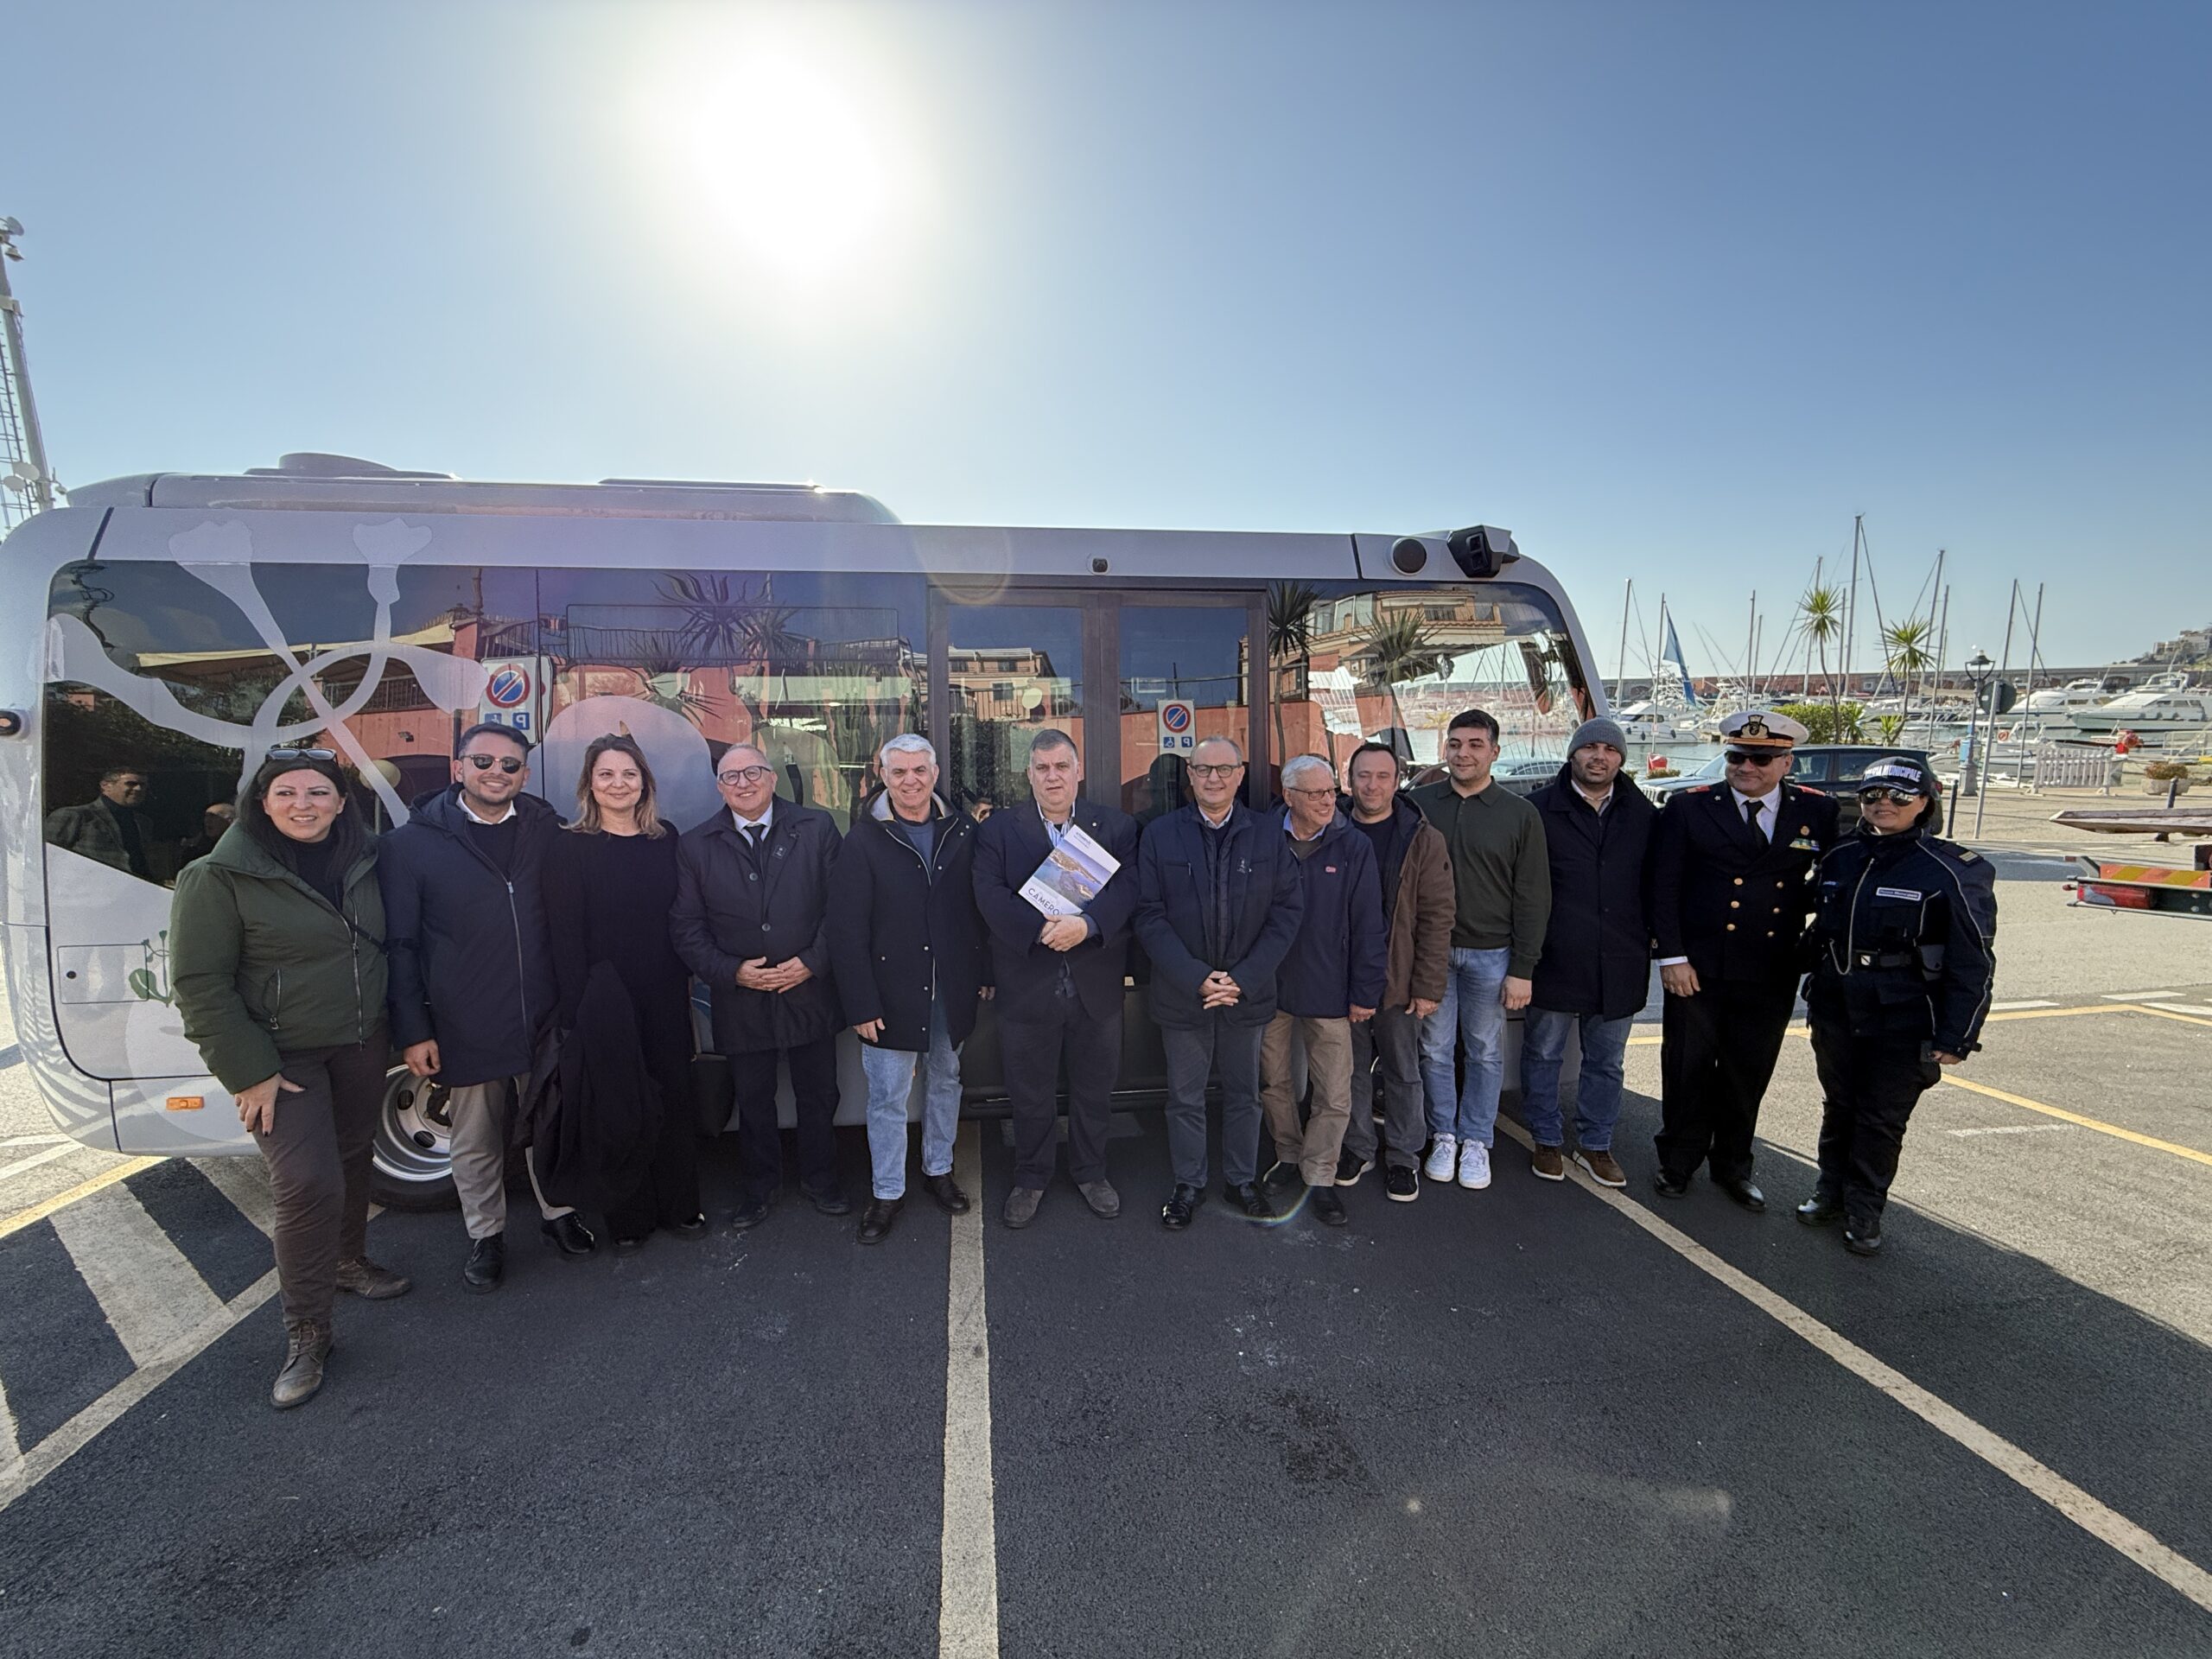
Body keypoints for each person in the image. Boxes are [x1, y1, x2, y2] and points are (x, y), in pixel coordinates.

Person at [169, 749, 408, 1409]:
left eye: (319, 793)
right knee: (306, 1181)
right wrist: (250, 1073)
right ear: (262, 803)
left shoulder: (366, 859)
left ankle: (347, 1261)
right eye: (287, 793)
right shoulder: (217, 876)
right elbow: (200, 985)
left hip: (361, 1041)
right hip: (283, 1057)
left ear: (341, 802)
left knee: (355, 1155)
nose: (304, 804)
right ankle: (308, 1330)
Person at [379, 721, 594, 1294]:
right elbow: (399, 944)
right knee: (475, 1137)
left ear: (524, 774)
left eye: (509, 765)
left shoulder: (547, 830)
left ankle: (559, 1215)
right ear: (458, 768)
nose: (496, 773)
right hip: (462, 1017)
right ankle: (487, 1235)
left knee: (551, 1121)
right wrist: (413, 1028)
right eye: (483, 762)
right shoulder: (410, 844)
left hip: (543, 1013)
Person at [1799, 756, 1996, 1255]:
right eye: (1873, 796)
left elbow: (1973, 959)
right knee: (1839, 1105)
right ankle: (1830, 1190)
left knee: (1881, 1117)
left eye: (1899, 797)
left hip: (1905, 1014)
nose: (1884, 804)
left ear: (1925, 803)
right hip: (1837, 1005)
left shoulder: (1951, 869)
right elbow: (1816, 931)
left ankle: (1865, 1207)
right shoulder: (1841, 857)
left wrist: (1958, 1034)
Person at [1649, 709, 1840, 1208]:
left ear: (1785, 761)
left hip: (1770, 965)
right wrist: (1671, 956)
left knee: (1746, 1071)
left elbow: (1836, 882)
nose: (1746, 767)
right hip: (1698, 965)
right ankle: (1678, 1161)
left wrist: (1816, 944)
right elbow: (1663, 886)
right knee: (1687, 1066)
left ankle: (1733, 1166)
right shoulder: (1689, 807)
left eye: (1761, 758)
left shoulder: (1816, 811)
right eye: (1737, 756)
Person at [670, 742, 849, 1230]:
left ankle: (822, 1180)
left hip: (809, 990)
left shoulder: (817, 828)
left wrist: (812, 963)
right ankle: (759, 1188)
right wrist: (733, 971)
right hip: (741, 997)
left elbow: (843, 910)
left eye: (752, 773)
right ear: (718, 787)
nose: (743, 783)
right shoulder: (695, 844)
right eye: (731, 777)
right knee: (753, 1100)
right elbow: (686, 928)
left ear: (772, 778)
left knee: (819, 1094)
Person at [1133, 735, 1305, 1229]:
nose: (1214, 778)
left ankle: (1240, 1179)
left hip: (1245, 993)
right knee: (1184, 1098)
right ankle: (1189, 1184)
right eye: (1204, 769)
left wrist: (1242, 979)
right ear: (1189, 775)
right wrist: (1196, 978)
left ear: (1240, 774)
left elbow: (1287, 913)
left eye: (1224, 770)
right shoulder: (1162, 835)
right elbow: (1148, 915)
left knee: (1244, 1095)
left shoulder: (1268, 835)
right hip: (1184, 992)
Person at [971, 729, 1141, 1229]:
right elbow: (988, 895)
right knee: (1029, 1092)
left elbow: (1130, 885)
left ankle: (1091, 1173)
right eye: (1042, 769)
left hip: (1095, 986)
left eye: (1061, 767)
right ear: (1029, 775)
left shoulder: (1114, 827)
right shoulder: (999, 831)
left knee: (1094, 1089)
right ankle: (1031, 1176)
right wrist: (1045, 931)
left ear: (1078, 771)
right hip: (1027, 984)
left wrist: (1086, 926)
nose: (1052, 777)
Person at [827, 735, 992, 1246]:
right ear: (883, 776)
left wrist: (984, 970)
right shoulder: (863, 839)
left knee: (945, 1082)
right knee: (887, 1098)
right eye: (898, 773)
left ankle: (939, 1170)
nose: (910, 781)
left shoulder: (962, 830)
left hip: (951, 988)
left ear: (936, 773)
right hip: (888, 992)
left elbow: (976, 908)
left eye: (919, 771)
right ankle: (887, 1191)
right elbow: (846, 929)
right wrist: (859, 1002)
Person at [543, 734, 705, 1253]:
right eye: (607, 774)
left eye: (629, 774)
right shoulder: (567, 846)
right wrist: (576, 1010)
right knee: (618, 1105)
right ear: (590, 784)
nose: (619, 784)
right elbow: (564, 935)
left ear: (644, 784)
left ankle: (681, 1205)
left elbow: (683, 918)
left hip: (665, 990)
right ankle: (629, 1216)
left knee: (674, 1096)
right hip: (603, 998)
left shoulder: (667, 839)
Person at [1410, 709, 1551, 1192]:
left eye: (1474, 744)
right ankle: (1443, 1134)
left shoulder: (1520, 814)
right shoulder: (1419, 805)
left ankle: (1476, 1141)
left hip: (1492, 955)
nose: (1463, 753)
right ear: (1444, 750)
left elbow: (1533, 895)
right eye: (1455, 744)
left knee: (1487, 1051)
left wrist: (1524, 968)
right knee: (1432, 1049)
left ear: (1494, 751)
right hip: (1430, 953)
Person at [1518, 718, 1656, 1187]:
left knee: (1606, 1061)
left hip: (1620, 959)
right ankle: (1546, 1137)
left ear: (1621, 758)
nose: (1599, 756)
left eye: (1609, 749)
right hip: (1555, 956)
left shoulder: (1645, 816)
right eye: (1589, 747)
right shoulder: (1535, 811)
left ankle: (1597, 1144)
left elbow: (1660, 886)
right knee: (1543, 1053)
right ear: (1573, 754)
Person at [1257, 755, 1385, 1227]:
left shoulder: (1353, 846)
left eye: (1332, 791)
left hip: (1332, 988)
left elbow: (1370, 924)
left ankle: (1321, 1174)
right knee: (1274, 1081)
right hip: (1269, 986)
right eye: (1315, 793)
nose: (1328, 801)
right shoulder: (1263, 838)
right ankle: (1289, 1156)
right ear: (1289, 796)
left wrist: (1364, 991)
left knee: (1334, 1090)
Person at [1338, 742, 1455, 1203]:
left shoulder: (1422, 838)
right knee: (1348, 1073)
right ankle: (1358, 1147)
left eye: (1382, 776)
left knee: (1404, 1071)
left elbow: (1437, 916)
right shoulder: (1333, 827)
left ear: (1397, 780)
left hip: (1399, 980)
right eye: (1363, 776)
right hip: (1340, 978)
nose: (1372, 785)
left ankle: (1404, 1157)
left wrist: (1427, 985)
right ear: (1349, 780)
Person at [46, 766, 154, 880]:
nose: (138, 789)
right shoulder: (75, 815)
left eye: (143, 785)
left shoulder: (143, 822)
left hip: (134, 890)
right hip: (85, 890)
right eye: (131, 784)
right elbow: (47, 858)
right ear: (106, 786)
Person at [178, 801, 237, 868]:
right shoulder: (194, 853)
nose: (207, 820)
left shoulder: (239, 848)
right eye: (206, 816)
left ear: (230, 820)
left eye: (213, 816)